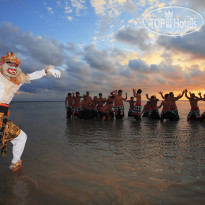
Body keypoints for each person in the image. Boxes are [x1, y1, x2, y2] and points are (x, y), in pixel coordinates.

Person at [0, 52, 61, 172]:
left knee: (21, 137)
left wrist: (46, 71)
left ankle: (15, 163)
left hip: (2, 118)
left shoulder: (18, 79)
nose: (12, 66)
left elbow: (32, 76)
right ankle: (15, 164)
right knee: (20, 138)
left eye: (15, 64)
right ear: (3, 64)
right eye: (9, 63)